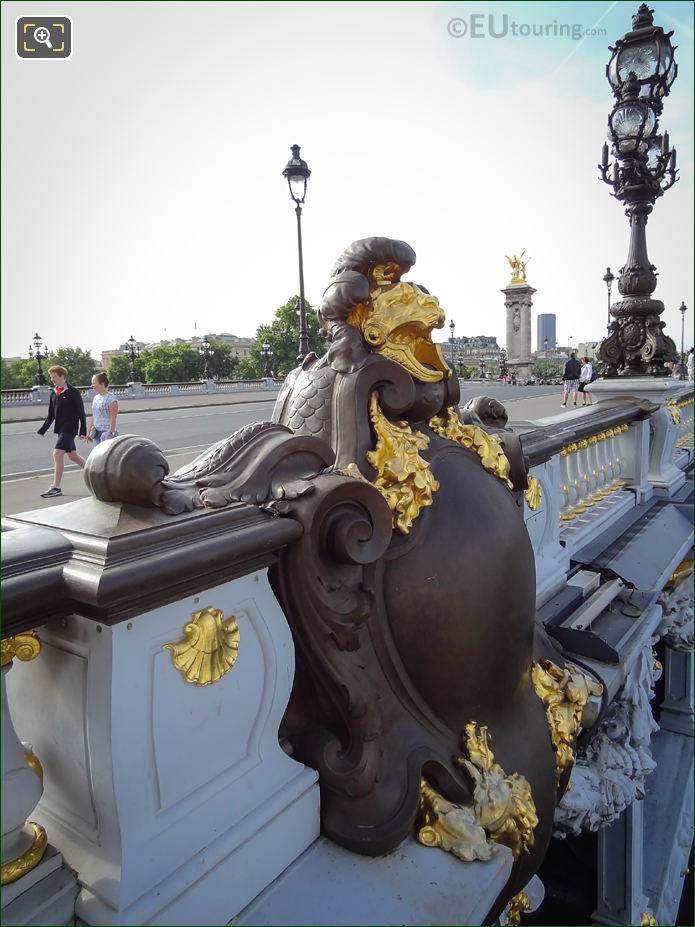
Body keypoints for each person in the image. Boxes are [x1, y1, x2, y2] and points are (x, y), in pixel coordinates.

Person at [37, 365, 87, 497]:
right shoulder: (54, 392)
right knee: (73, 456)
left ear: (63, 377)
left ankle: (56, 487)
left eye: (54, 377)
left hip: (70, 428)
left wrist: (83, 431)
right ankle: (95, 472)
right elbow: (51, 414)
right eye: (51, 377)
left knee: (57, 453)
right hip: (60, 428)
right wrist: (43, 429)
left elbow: (81, 413)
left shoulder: (73, 392)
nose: (52, 379)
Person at [88, 372, 119, 443]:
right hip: (96, 432)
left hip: (106, 433)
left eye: (94, 383)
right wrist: (89, 432)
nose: (92, 385)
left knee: (109, 454)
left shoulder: (112, 399)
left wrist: (110, 433)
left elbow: (113, 418)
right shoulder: (96, 398)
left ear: (102, 384)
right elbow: (94, 416)